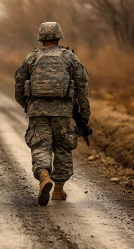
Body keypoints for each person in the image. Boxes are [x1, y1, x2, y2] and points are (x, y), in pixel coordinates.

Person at [14, 22, 91, 206]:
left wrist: (27, 105)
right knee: (63, 146)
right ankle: (58, 189)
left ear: (41, 37)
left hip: (37, 110)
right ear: (59, 36)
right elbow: (82, 85)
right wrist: (84, 112)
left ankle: (43, 175)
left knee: (40, 145)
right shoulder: (69, 57)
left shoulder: (31, 58)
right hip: (63, 111)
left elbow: (18, 83)